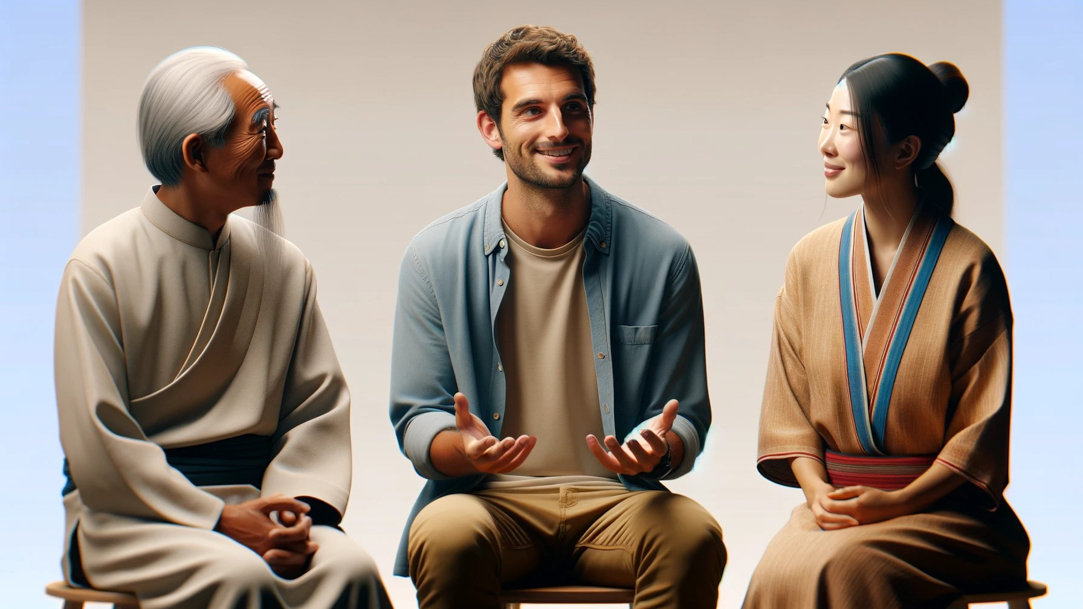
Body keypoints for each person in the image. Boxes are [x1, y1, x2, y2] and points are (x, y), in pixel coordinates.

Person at [389, 24, 725, 609]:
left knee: (692, 536)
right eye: (532, 111)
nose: (558, 129)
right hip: (488, 501)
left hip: (619, 502)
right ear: (490, 128)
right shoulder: (434, 256)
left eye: (574, 109)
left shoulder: (662, 254)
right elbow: (417, 418)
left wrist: (662, 448)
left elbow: (688, 418)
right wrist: (462, 450)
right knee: (444, 536)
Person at [55, 46, 392, 609]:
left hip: (263, 501)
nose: (277, 150)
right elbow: (99, 442)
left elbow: (317, 411)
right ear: (196, 153)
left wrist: (289, 512)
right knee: (242, 579)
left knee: (349, 570)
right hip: (130, 516)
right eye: (260, 132)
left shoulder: (284, 266)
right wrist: (219, 518)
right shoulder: (99, 267)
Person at [743, 53, 1030, 609]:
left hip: (947, 514)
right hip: (840, 505)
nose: (826, 143)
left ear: (905, 151)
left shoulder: (969, 267)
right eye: (825, 121)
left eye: (846, 128)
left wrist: (897, 504)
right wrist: (818, 492)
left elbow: (979, 437)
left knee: (844, 570)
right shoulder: (809, 260)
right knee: (775, 573)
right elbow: (791, 413)